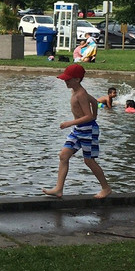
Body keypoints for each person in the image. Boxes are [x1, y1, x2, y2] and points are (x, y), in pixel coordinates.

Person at [43, 63, 112, 200]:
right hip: (79, 129)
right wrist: (95, 114)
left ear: (77, 79)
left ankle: (106, 188)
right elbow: (93, 101)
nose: (65, 81)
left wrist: (70, 122)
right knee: (63, 155)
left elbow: (88, 116)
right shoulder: (76, 91)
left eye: (68, 79)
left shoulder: (80, 94)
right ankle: (58, 188)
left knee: (89, 161)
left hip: (88, 130)